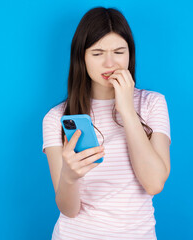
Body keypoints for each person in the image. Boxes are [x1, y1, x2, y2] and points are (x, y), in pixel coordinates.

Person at [42, 6, 171, 239]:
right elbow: (69, 210)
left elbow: (154, 184)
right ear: (81, 56)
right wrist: (69, 177)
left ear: (130, 54)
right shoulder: (57, 118)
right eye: (97, 53)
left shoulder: (152, 104)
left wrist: (127, 110)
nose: (110, 63)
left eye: (119, 51)